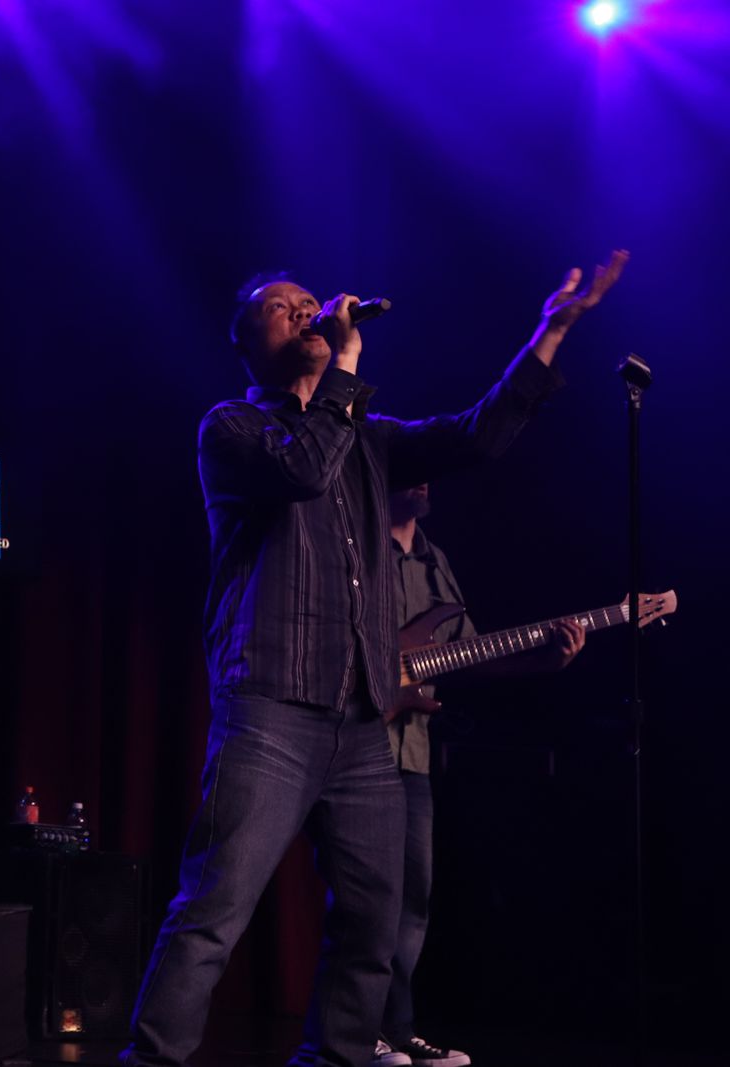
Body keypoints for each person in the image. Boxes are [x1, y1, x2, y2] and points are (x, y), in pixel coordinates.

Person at [120, 249, 626, 1067]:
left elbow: (477, 436)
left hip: (361, 719)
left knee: (372, 922)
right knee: (214, 906)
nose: (305, 309)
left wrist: (551, 334)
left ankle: (340, 1058)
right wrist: (345, 366)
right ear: (245, 342)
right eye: (281, 306)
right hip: (270, 709)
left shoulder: (368, 439)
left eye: (308, 300)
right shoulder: (233, 428)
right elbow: (302, 468)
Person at [374, 484, 584, 1067]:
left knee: (414, 900)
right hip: (359, 749)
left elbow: (468, 658)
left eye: (430, 476)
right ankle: (355, 1032)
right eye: (414, 470)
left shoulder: (436, 562)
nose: (425, 483)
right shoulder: (357, 544)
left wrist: (546, 661)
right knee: (366, 899)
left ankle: (396, 1030)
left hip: (414, 752)